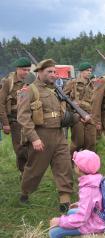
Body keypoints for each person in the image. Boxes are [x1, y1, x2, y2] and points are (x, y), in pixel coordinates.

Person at [17, 59, 76, 212]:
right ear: (39, 72)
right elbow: (23, 117)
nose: (53, 74)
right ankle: (25, 193)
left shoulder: (55, 90)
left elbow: (60, 113)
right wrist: (34, 138)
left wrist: (76, 117)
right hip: (41, 135)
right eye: (49, 72)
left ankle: (65, 199)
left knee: (64, 166)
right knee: (35, 169)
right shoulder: (29, 90)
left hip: (58, 134)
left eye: (54, 72)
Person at [48, 150, 105, 238]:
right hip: (101, 216)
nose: (74, 166)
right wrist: (80, 204)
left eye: (75, 164)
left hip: (97, 224)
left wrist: (59, 221)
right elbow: (95, 200)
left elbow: (82, 218)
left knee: (54, 233)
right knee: (71, 212)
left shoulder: (88, 188)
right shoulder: (97, 179)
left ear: (80, 169)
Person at [0, 57, 31, 174]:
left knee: (29, 145)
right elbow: (1, 103)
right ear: (17, 69)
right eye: (24, 70)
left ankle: (25, 170)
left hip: (28, 118)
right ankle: (23, 172)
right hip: (14, 120)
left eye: (28, 70)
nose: (26, 72)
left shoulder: (29, 81)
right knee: (20, 147)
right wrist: (5, 124)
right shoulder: (8, 82)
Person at [63, 62, 96, 156]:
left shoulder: (92, 84)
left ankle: (87, 165)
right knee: (78, 143)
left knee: (91, 143)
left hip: (90, 116)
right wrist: (71, 107)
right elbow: (64, 98)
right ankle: (71, 163)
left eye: (90, 71)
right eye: (87, 70)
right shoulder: (72, 83)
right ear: (81, 72)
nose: (89, 72)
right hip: (77, 116)